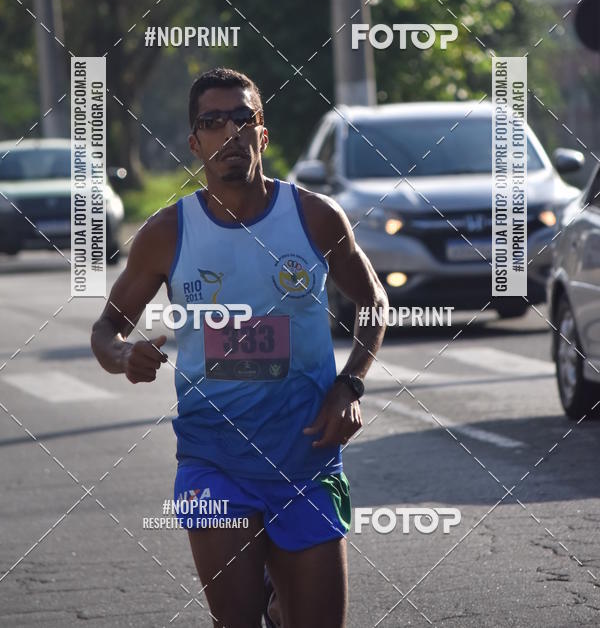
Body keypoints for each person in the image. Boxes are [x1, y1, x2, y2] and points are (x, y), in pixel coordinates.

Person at [91, 67, 388, 628]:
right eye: (212, 121)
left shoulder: (315, 218)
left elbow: (373, 301)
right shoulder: (167, 233)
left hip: (306, 455)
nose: (229, 133)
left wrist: (351, 383)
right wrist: (124, 355)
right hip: (214, 459)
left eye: (242, 119)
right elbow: (106, 328)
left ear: (263, 134)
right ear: (194, 141)